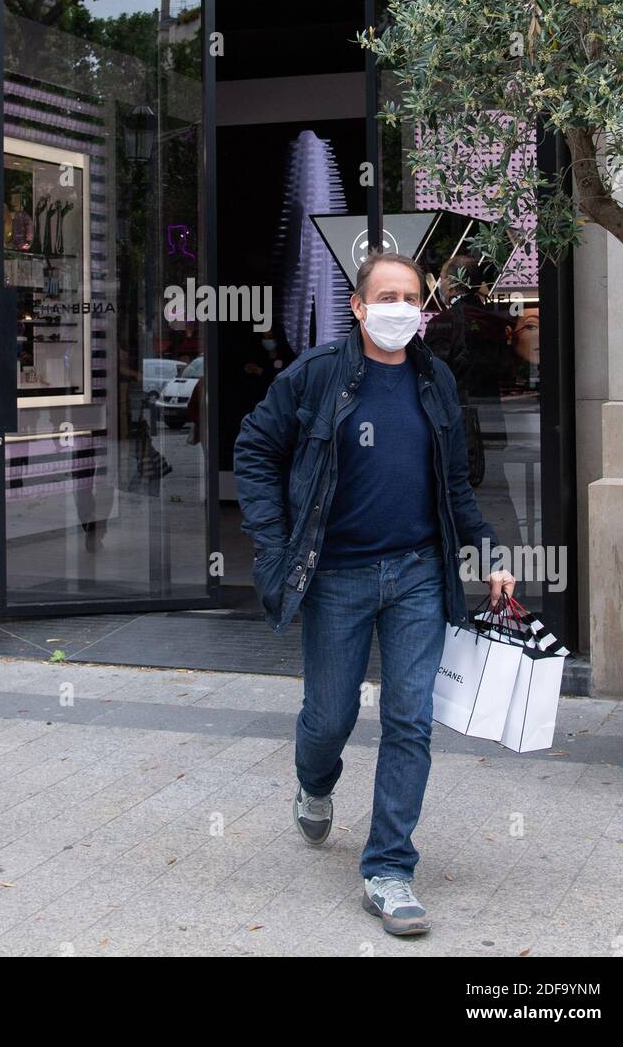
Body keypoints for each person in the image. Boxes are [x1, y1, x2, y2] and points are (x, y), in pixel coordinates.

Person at [233, 251, 515, 937]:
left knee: (410, 718)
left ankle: (388, 870)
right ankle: (316, 779)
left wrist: (490, 550)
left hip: (418, 574)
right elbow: (254, 446)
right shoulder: (320, 374)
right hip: (337, 576)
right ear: (358, 307)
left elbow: (454, 483)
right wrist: (275, 542)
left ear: (424, 309)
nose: (398, 307)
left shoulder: (435, 379)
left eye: (410, 297)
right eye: (384, 295)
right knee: (329, 717)